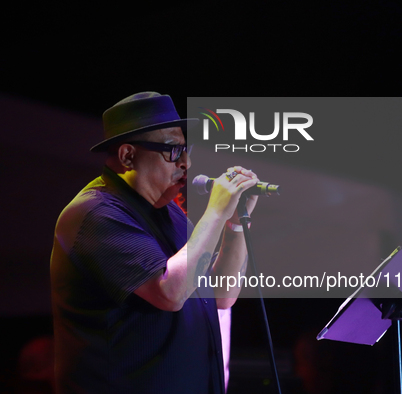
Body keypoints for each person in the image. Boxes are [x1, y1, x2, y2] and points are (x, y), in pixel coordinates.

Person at [50, 92, 259, 394]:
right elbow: (170, 293)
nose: (186, 162)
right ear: (127, 156)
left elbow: (221, 296)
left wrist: (236, 223)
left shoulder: (168, 210)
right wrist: (215, 211)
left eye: (187, 149)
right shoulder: (95, 214)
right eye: (173, 151)